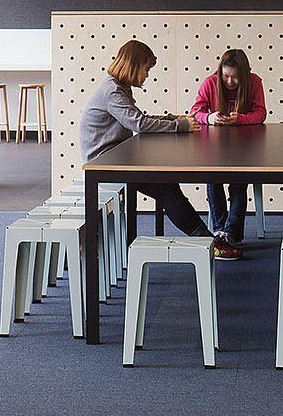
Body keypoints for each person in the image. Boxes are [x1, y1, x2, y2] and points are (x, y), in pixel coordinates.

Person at [81, 40, 241, 261]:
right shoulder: (112, 91)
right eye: (146, 69)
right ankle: (208, 243)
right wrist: (178, 125)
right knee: (166, 188)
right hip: (105, 163)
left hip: (118, 156)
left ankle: (207, 240)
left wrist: (172, 118)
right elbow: (139, 123)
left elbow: (138, 118)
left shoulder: (118, 86)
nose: (147, 74)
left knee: (167, 186)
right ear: (134, 65)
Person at [191, 49, 267, 244]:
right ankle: (220, 230)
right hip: (214, 147)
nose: (230, 82)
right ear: (220, 72)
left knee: (238, 182)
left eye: (235, 77)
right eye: (226, 76)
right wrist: (210, 117)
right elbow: (195, 112)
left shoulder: (255, 82)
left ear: (245, 74)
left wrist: (239, 119)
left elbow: (260, 114)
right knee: (212, 179)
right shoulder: (210, 83)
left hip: (245, 146)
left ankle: (231, 232)